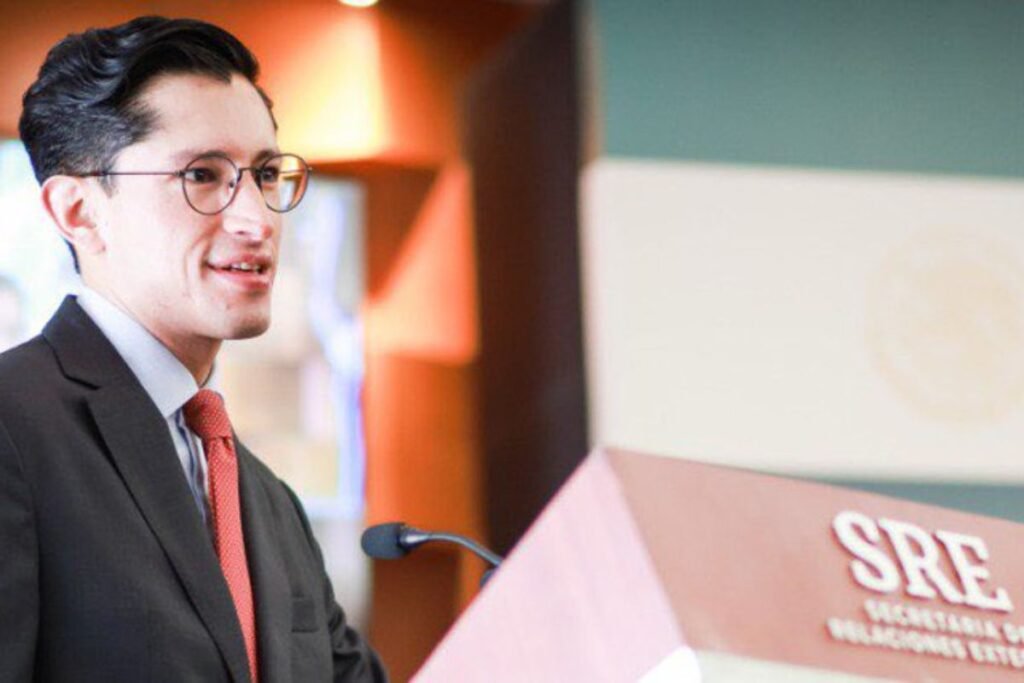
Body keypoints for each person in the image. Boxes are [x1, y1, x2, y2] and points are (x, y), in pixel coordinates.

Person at [0, 16, 387, 682]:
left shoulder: (269, 501)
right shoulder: (13, 426)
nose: (257, 220)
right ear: (79, 212)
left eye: (265, 175)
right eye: (203, 175)